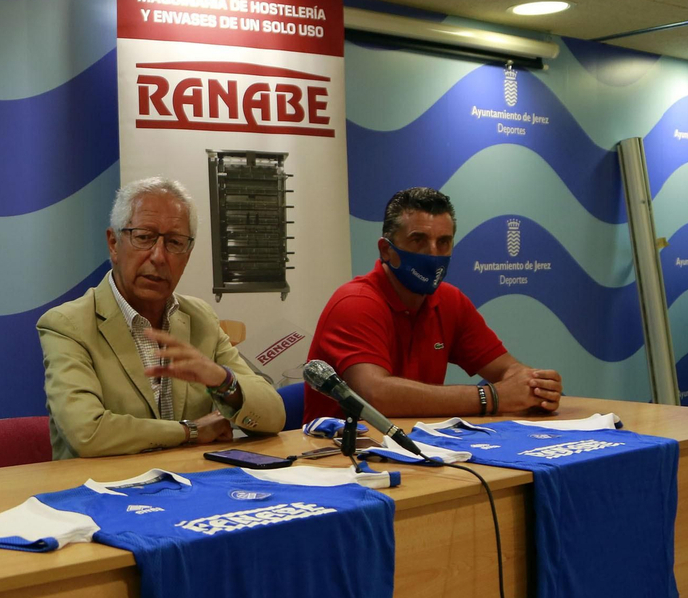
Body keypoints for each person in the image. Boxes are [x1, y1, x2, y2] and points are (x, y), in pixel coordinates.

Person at [37, 177, 285, 458]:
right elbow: (88, 432)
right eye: (144, 237)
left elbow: (274, 415)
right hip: (106, 484)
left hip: (192, 481)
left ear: (187, 255)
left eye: (175, 243)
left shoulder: (199, 317)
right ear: (114, 244)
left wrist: (222, 380)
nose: (158, 256)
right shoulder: (68, 325)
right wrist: (190, 431)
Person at [304, 186, 562, 423]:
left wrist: (537, 387)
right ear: (386, 250)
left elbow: (508, 369)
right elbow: (375, 396)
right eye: (418, 240)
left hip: (420, 447)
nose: (433, 254)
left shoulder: (450, 301)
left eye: (443, 242)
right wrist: (491, 397)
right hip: (342, 452)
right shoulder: (355, 303)